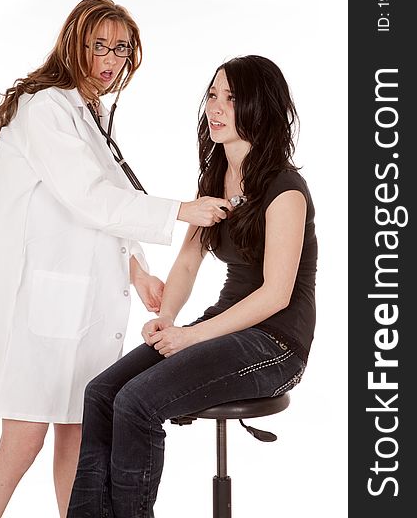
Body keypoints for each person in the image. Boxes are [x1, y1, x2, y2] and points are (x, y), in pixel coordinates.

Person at [0, 0, 232, 518]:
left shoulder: (89, 112)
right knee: (21, 445)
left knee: (78, 446)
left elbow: (95, 211)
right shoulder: (45, 110)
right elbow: (88, 196)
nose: (110, 60)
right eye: (98, 46)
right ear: (74, 45)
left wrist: (140, 272)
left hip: (76, 312)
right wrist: (183, 211)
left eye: (120, 50)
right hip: (38, 314)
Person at [66, 54, 318, 518]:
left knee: (137, 403)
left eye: (232, 98)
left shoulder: (286, 189)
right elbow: (187, 260)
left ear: (261, 107)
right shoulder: (216, 177)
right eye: (213, 95)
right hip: (222, 329)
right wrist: (165, 320)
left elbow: (275, 294)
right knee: (102, 394)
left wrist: (191, 336)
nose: (216, 108)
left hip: (275, 342)